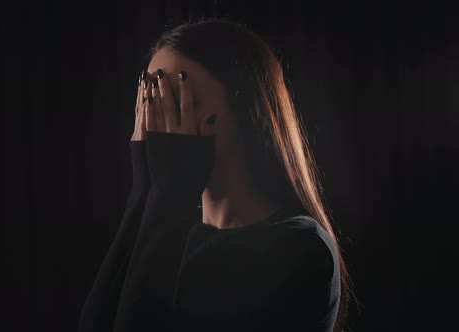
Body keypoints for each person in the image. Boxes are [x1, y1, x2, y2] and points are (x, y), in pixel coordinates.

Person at [78, 17, 352, 332]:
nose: (158, 123)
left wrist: (170, 194)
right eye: (151, 101)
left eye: (176, 100)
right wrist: (142, 192)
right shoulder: (172, 227)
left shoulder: (300, 247)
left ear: (241, 107)